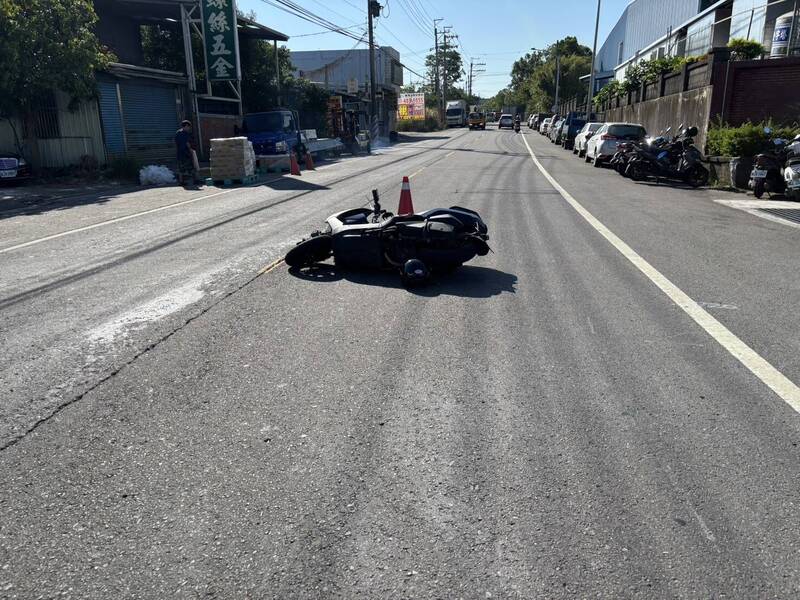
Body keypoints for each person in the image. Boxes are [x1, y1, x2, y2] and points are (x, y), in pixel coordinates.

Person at [174, 120, 195, 185]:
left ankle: (181, 181)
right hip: (185, 153)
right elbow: (187, 143)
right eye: (188, 127)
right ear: (185, 126)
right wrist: (190, 149)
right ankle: (195, 180)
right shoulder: (184, 133)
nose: (189, 128)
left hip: (180, 153)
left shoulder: (177, 132)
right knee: (191, 167)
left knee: (181, 168)